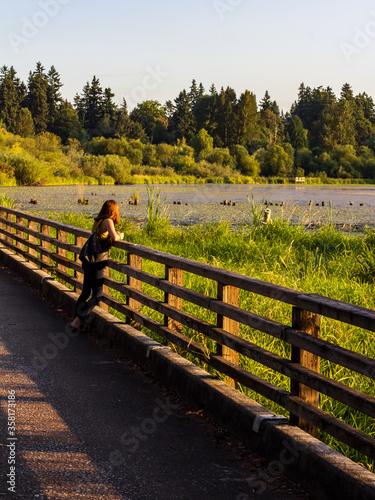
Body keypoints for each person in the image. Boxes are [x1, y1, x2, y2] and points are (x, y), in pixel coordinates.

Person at [70, 200, 123, 330]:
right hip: (96, 262)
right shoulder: (108, 221)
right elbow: (114, 238)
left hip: (88, 260)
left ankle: (77, 321)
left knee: (86, 291)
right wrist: (120, 235)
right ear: (114, 211)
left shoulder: (98, 221)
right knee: (97, 295)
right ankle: (77, 320)